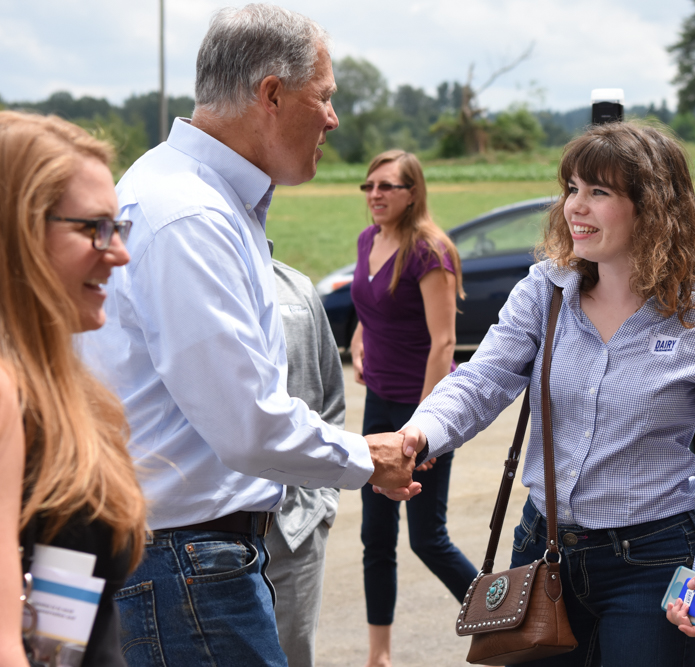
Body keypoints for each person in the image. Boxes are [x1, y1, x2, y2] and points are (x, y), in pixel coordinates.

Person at [78, 6, 417, 666]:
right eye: (324, 98)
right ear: (271, 94)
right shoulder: (188, 216)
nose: (332, 119)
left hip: (188, 560)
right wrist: (365, 458)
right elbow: (247, 422)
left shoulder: (193, 199)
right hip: (185, 566)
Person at [394, 122, 695, 666]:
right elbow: (481, 380)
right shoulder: (543, 292)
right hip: (541, 554)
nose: (576, 207)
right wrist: (418, 435)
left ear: (654, 207)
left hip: (654, 564)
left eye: (599, 192)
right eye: (572, 188)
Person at [0, 111, 147, 667]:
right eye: (94, 228)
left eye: (120, 228)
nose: (119, 252)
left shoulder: (58, 387)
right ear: (17, 231)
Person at [349, 150, 478, 667]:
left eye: (387, 186)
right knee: (375, 536)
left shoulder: (431, 252)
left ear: (412, 193)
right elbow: (369, 303)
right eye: (369, 185)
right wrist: (361, 340)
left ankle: (510, 624)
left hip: (421, 409)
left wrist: (422, 428)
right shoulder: (368, 241)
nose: (375, 194)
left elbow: (443, 343)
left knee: (428, 538)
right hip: (378, 402)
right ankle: (379, 656)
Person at [266, 256, 343, 667]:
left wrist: (322, 500)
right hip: (213, 534)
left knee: (293, 656)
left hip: (296, 527)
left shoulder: (296, 288)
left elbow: (331, 398)